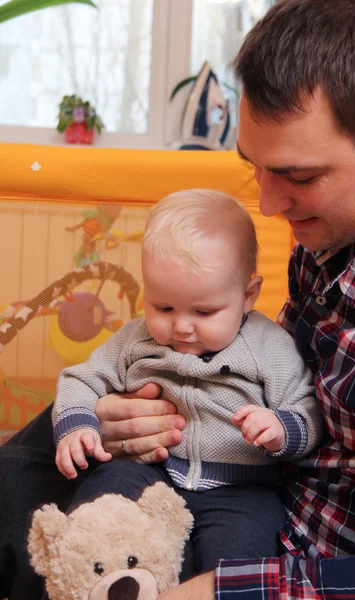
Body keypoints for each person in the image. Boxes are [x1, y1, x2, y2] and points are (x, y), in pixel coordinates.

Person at [1, 0, 355, 598]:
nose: (268, 205)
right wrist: (108, 421)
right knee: (50, 437)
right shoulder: (333, 235)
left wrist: (226, 587)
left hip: (275, 541)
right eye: (255, 168)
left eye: (299, 177)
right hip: (192, 465)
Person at [52, 189, 321, 575]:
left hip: (242, 491)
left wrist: (281, 429)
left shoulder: (269, 347)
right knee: (101, 510)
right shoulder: (136, 339)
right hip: (147, 470)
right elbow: (82, 378)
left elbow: (307, 408)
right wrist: (76, 425)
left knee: (240, 560)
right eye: (163, 306)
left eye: (204, 311)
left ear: (248, 295)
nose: (180, 326)